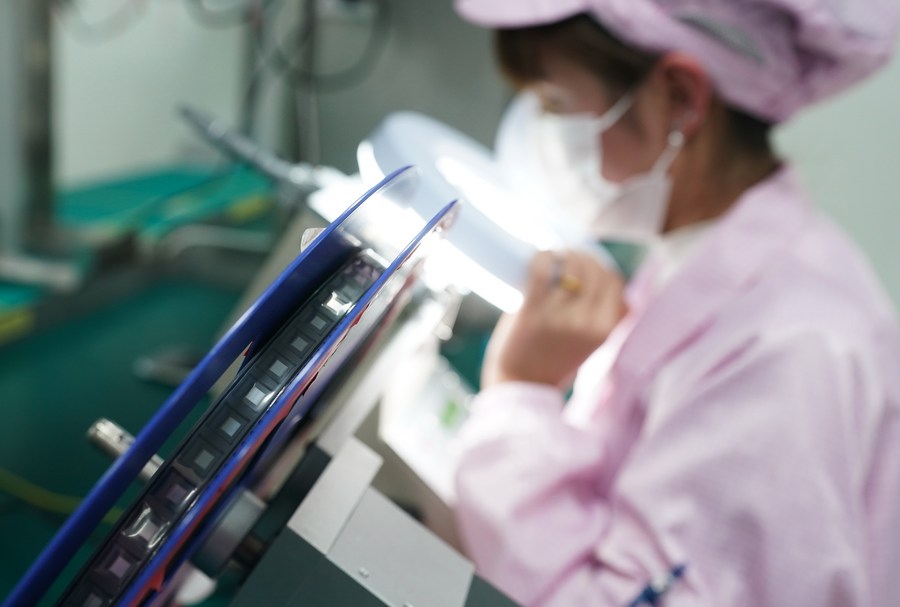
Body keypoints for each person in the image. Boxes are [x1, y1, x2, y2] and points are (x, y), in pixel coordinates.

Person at [449, 1, 900, 605]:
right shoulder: (700, 256)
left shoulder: (789, 348)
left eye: (556, 103)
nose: (538, 134)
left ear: (680, 98)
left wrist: (519, 396)